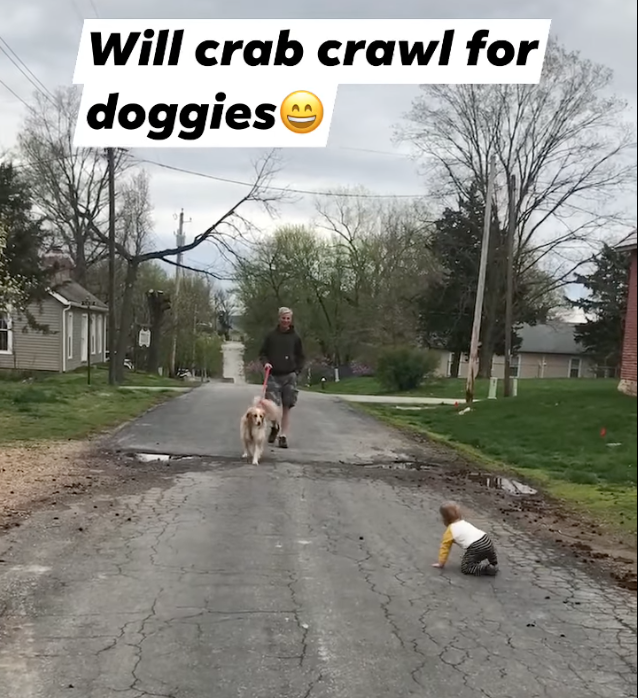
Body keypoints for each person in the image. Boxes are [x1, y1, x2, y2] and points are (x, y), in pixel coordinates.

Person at [259, 307, 305, 449]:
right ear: (279, 318)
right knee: (272, 408)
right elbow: (263, 353)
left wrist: (297, 370)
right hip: (273, 375)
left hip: (289, 375)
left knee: (287, 407)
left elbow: (301, 356)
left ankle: (283, 436)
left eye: (288, 318)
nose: (286, 321)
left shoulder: (295, 337)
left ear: (291, 320)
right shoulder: (271, 336)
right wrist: (266, 362)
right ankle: (275, 426)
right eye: (283, 318)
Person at [432, 501, 499, 576]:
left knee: (465, 568)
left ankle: (486, 569)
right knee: (488, 551)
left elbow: (445, 548)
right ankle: (494, 563)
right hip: (486, 539)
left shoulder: (450, 531)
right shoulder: (463, 523)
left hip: (476, 546)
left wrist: (441, 563)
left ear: (444, 518)